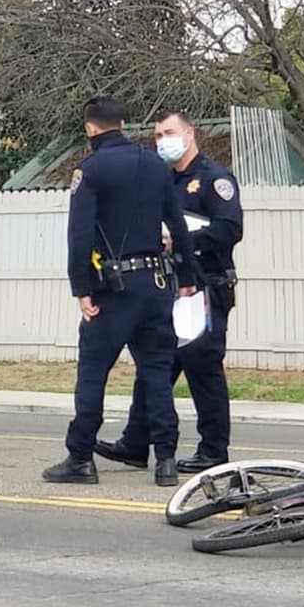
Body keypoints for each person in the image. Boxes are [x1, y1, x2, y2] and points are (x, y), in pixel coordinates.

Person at [42, 96, 200, 487]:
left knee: (93, 372)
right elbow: (177, 226)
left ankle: (81, 457)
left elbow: (79, 236)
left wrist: (82, 288)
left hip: (113, 289)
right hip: (156, 284)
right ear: (124, 123)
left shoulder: (90, 170)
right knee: (157, 374)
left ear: (90, 128)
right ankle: (165, 459)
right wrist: (188, 274)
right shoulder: (154, 164)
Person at [94, 109, 243, 476]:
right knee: (154, 366)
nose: (163, 141)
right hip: (167, 285)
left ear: (190, 134)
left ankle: (213, 450)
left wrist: (180, 237)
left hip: (205, 285)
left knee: (202, 366)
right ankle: (135, 441)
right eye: (158, 136)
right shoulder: (160, 179)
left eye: (169, 133)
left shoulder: (213, 179)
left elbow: (230, 229)